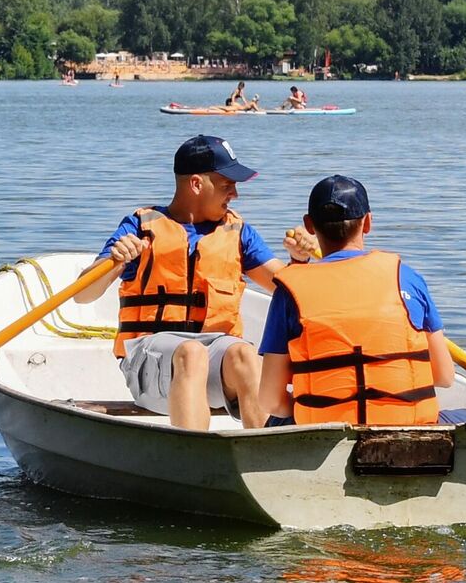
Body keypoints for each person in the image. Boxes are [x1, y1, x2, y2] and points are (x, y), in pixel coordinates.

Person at [75, 135, 307, 430]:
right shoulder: (140, 228)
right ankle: (197, 458)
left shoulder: (238, 232)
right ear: (196, 184)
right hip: (149, 364)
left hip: (213, 362)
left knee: (245, 354)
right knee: (191, 353)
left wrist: (299, 262)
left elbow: (289, 292)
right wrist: (117, 261)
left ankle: (266, 457)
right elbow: (82, 295)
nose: (234, 194)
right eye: (226, 185)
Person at [258, 176, 466, 428]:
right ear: (368, 223)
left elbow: (270, 400)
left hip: (326, 436)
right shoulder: (406, 277)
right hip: (409, 429)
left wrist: (306, 405)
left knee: (277, 420)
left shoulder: (288, 291)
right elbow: (444, 376)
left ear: (309, 225)